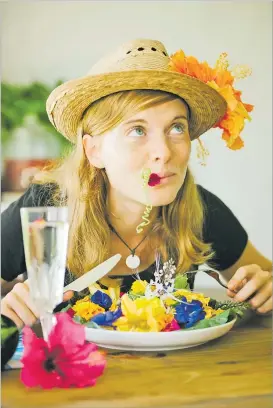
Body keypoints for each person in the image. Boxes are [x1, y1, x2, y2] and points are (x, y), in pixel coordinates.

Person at [1, 38, 272, 330]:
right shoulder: (46, 207)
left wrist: (265, 288)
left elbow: (264, 278)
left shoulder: (201, 209)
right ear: (94, 151)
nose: (164, 152)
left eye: (176, 128)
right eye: (137, 130)